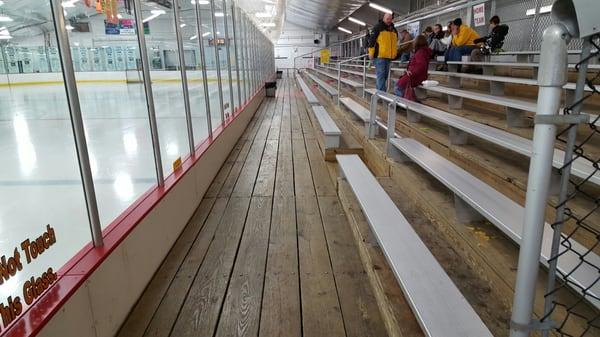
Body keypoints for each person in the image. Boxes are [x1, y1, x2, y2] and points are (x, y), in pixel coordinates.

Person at [394, 35, 432, 101]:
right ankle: (405, 102)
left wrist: (411, 72)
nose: (413, 42)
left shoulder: (420, 52)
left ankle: (402, 103)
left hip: (415, 76)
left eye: (415, 40)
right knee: (398, 83)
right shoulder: (421, 51)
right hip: (416, 75)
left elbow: (421, 66)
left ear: (418, 42)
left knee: (398, 86)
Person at [368, 13, 398, 91]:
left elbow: (395, 43)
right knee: (381, 76)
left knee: (384, 76)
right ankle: (382, 95)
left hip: (389, 57)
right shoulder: (378, 27)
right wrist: (371, 53)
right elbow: (372, 41)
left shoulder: (394, 30)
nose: (389, 21)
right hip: (379, 56)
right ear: (384, 18)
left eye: (390, 19)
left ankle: (379, 93)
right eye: (387, 19)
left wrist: (395, 53)